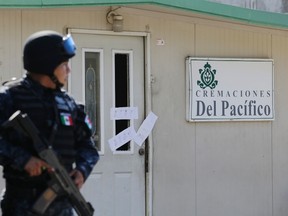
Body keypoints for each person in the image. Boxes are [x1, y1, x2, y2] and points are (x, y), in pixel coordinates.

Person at [0, 30, 99, 215]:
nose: (68, 70)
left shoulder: (69, 105)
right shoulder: (9, 99)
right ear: (47, 67)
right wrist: (23, 159)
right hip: (20, 206)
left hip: (62, 207)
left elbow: (88, 147)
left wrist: (82, 171)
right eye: (64, 64)